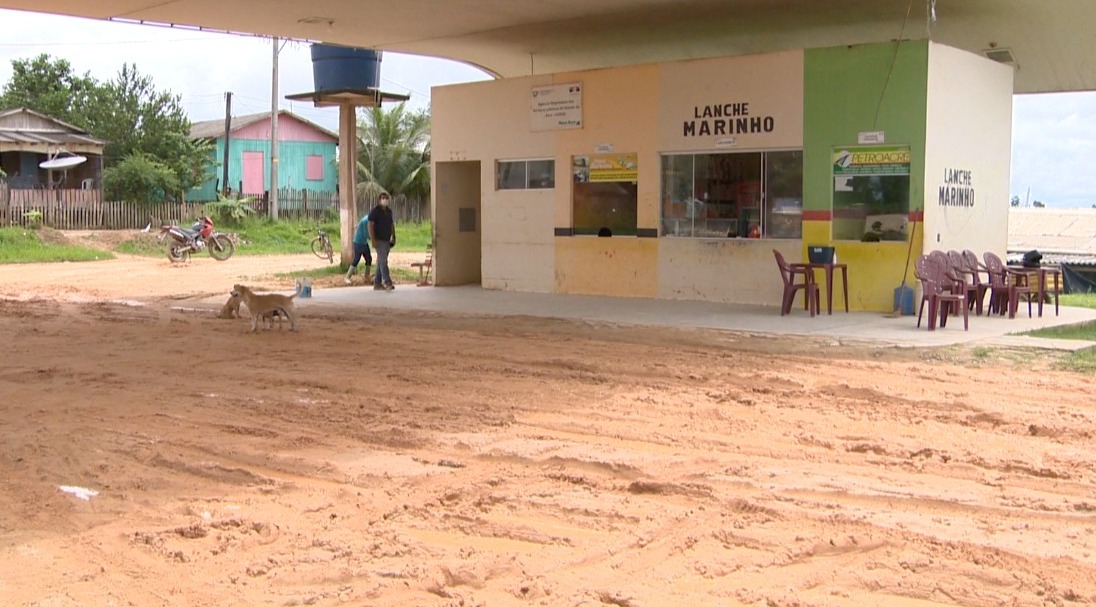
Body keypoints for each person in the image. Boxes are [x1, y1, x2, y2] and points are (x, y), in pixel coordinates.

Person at [368, 192, 396, 291]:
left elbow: (391, 224)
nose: (385, 200)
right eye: (383, 198)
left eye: (386, 198)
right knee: (383, 262)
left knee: (381, 261)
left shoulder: (389, 211)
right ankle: (387, 282)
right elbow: (370, 225)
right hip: (379, 240)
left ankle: (377, 283)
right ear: (379, 200)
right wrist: (373, 239)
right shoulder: (375, 211)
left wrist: (394, 236)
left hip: (387, 239)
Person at [344, 211, 372, 284]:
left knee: (369, 259)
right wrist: (374, 239)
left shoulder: (368, 219)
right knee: (357, 259)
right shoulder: (366, 221)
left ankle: (367, 276)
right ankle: (347, 277)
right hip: (358, 242)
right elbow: (366, 234)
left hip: (364, 242)